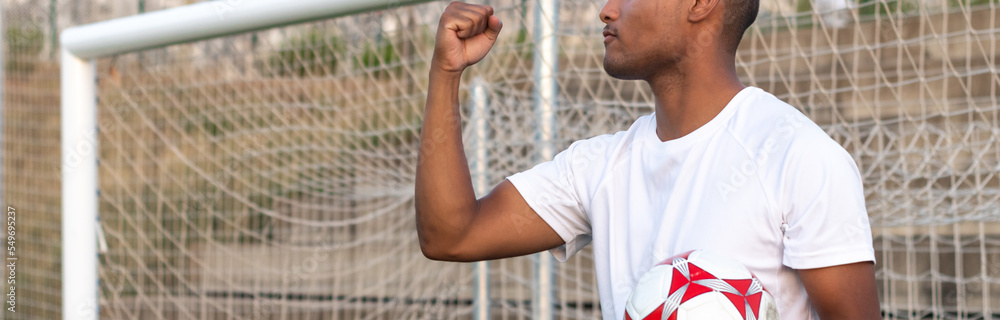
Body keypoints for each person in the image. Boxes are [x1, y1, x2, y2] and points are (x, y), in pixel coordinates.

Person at [415, 0, 881, 319]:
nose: (606, 10)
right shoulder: (598, 166)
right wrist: (445, 73)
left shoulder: (797, 156)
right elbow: (451, 235)